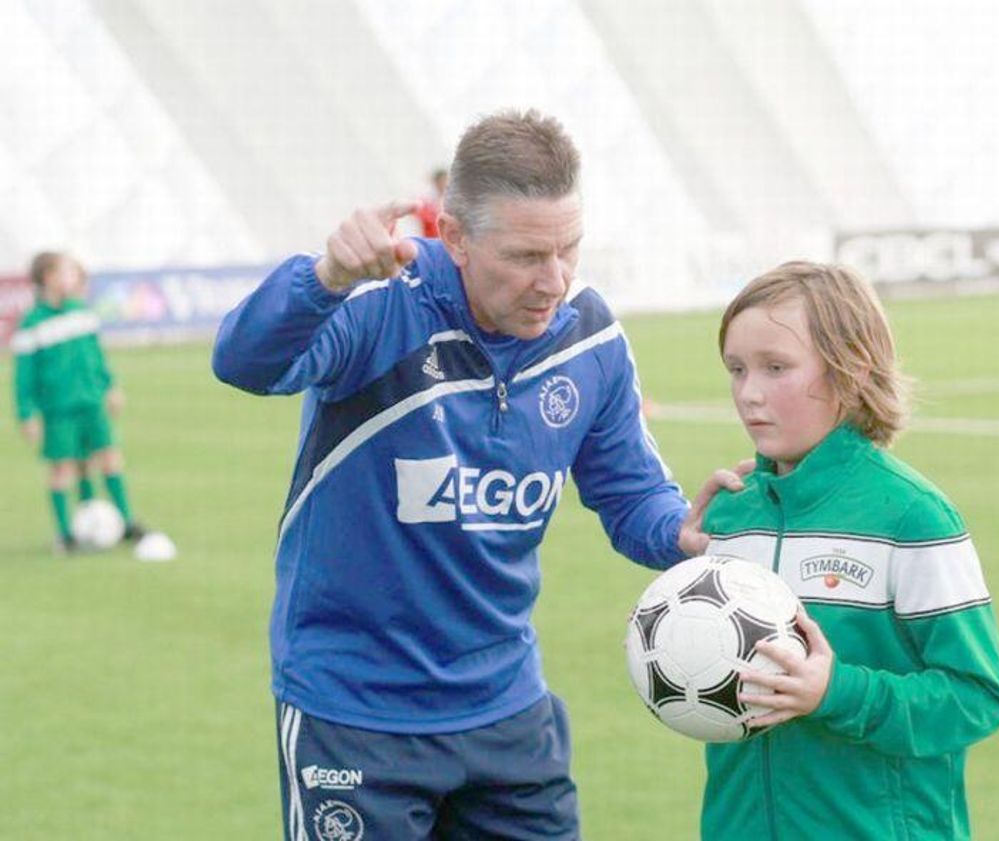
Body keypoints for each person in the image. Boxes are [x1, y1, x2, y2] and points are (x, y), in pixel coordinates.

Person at [212, 109, 744, 840]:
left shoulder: (588, 339)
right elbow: (245, 362)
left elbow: (632, 495)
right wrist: (325, 276)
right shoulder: (379, 302)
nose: (552, 280)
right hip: (355, 713)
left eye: (569, 250)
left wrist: (680, 532)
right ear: (454, 237)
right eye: (526, 255)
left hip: (506, 711)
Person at [699, 261, 999, 839]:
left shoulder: (913, 516)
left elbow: (978, 696)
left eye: (776, 368)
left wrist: (835, 692)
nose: (749, 393)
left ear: (851, 367)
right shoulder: (732, 516)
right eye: (737, 369)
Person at [11, 251, 146, 552]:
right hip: (59, 409)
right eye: (67, 272)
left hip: (91, 402)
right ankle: (65, 534)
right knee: (63, 469)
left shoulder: (82, 313)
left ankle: (126, 521)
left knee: (108, 457)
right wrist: (26, 413)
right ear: (48, 277)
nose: (75, 279)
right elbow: (23, 377)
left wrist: (110, 386)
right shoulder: (31, 324)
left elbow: (96, 356)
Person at [415, 166, 449, 238]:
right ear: (436, 183)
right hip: (432, 239)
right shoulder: (427, 202)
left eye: (445, 181)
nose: (444, 184)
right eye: (441, 181)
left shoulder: (454, 201)